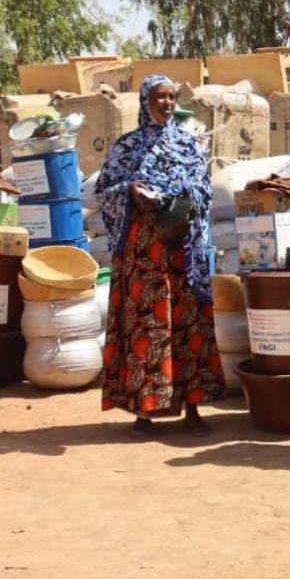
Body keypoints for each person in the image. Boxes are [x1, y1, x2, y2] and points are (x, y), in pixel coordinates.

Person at [95, 75, 222, 436]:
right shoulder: (126, 147)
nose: (165, 103)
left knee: (188, 324)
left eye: (171, 97)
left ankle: (193, 408)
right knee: (147, 325)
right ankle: (145, 409)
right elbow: (104, 191)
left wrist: (178, 193)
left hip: (182, 249)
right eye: (158, 97)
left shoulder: (189, 145)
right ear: (144, 101)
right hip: (142, 254)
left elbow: (204, 191)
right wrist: (130, 190)